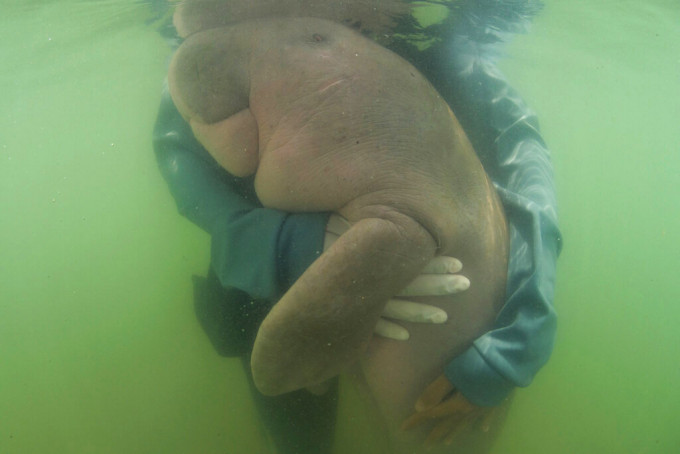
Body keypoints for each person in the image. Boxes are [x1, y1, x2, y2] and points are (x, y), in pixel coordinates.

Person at [152, 0, 561, 452]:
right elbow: (196, 194)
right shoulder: (202, 63)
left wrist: (515, 342)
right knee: (299, 437)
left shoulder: (442, 53)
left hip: (438, 276)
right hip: (265, 292)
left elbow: (527, 166)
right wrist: (297, 249)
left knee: (435, 425)